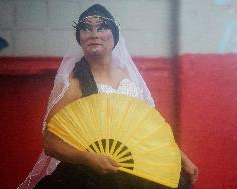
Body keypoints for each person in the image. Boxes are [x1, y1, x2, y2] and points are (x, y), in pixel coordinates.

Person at [18, 4, 198, 189]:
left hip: (136, 170)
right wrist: (89, 158)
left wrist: (181, 158)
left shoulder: (128, 78)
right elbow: (51, 143)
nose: (94, 34)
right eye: (86, 28)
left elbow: (149, 132)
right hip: (89, 174)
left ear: (114, 35)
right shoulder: (73, 84)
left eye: (102, 27)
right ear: (79, 38)